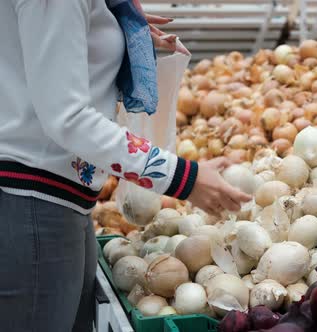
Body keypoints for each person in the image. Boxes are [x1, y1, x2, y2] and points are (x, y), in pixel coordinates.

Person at [0, 1, 251, 331]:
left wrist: (113, 28)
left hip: (58, 197)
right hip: (34, 200)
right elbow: (68, 118)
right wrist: (182, 177)